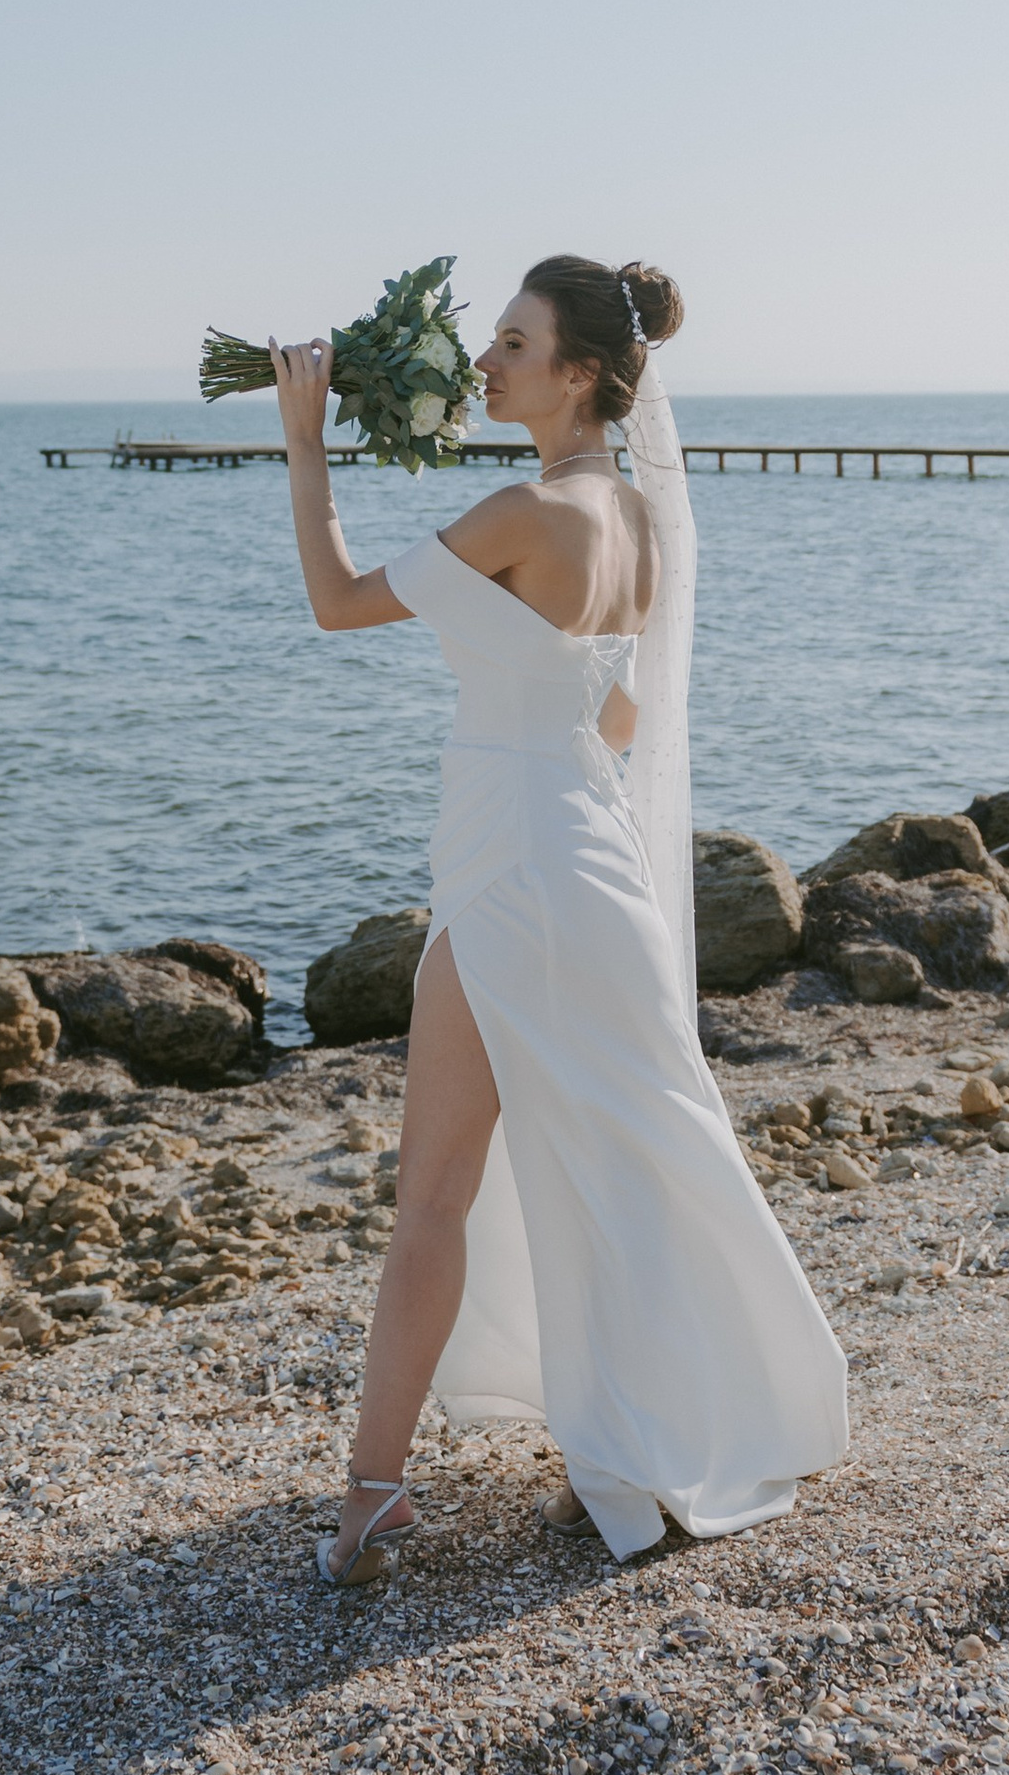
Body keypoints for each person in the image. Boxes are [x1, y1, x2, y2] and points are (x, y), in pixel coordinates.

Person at [266, 254, 848, 1582]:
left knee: (437, 1198)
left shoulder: (528, 510)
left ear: (579, 374)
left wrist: (306, 447)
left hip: (511, 871)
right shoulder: (641, 526)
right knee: (643, 1159)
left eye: (514, 344)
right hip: (590, 866)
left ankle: (370, 1499)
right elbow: (624, 719)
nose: (486, 363)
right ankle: (695, 1411)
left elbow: (337, 601)